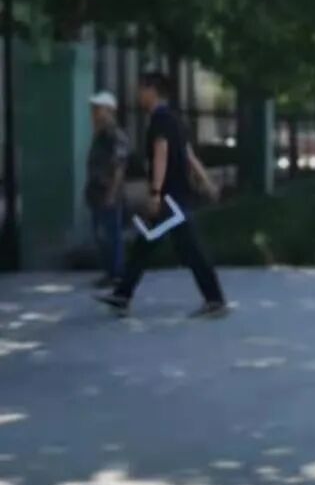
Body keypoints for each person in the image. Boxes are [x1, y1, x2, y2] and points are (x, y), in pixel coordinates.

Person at [96, 70, 226, 318]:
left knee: (190, 250)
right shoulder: (175, 120)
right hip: (175, 200)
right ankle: (122, 295)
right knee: (145, 245)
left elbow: (161, 152)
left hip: (169, 200)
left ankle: (215, 299)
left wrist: (156, 192)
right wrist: (207, 183)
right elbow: (189, 156)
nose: (138, 94)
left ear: (152, 91)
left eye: (141, 89)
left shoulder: (160, 120)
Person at [84, 91, 130, 289]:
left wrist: (112, 193)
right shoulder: (99, 134)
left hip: (108, 193)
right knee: (101, 236)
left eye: (98, 109)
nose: (94, 113)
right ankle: (110, 272)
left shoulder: (115, 135)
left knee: (111, 235)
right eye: (93, 109)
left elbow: (119, 166)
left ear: (110, 110)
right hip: (97, 193)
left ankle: (117, 274)